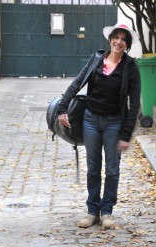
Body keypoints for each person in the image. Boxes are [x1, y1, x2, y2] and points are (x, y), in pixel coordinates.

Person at [57, 23, 141, 229]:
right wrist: (62, 108)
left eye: (123, 39)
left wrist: (126, 134)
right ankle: (92, 211)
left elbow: (134, 104)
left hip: (114, 123)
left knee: (112, 170)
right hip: (91, 120)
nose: (118, 42)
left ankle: (107, 212)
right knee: (93, 168)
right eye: (116, 37)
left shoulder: (130, 67)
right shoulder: (96, 59)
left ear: (127, 44)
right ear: (110, 39)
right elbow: (77, 83)